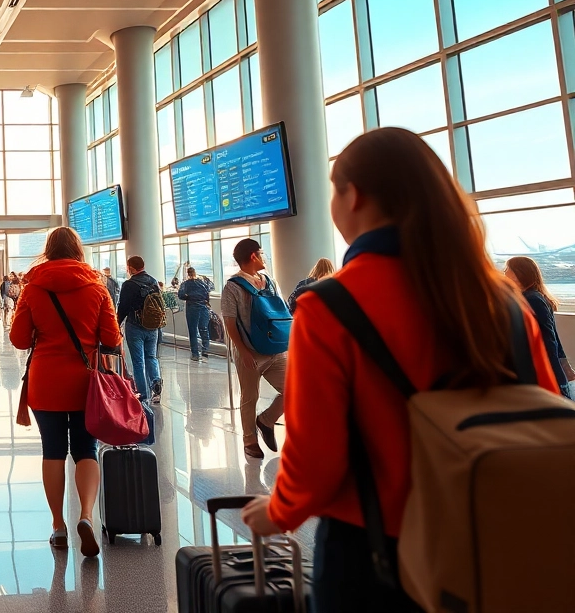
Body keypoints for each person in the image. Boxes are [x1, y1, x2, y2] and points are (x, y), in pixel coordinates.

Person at [241, 128, 561, 611]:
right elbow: (543, 412)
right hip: (496, 534)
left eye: (334, 191)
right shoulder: (502, 301)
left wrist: (279, 512)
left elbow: (316, 458)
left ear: (356, 196)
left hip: (375, 553)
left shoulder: (329, 306)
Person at [10, 227, 121, 558]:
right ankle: (86, 515)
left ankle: (58, 525)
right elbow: (112, 339)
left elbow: (18, 339)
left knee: (53, 451)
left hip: (45, 382)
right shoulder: (97, 287)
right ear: (77, 250)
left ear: (48, 250)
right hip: (86, 382)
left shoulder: (32, 289)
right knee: (86, 448)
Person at [220, 239, 287, 459]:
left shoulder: (269, 281)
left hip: (275, 350)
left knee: (295, 389)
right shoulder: (233, 287)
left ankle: (266, 421)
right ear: (253, 256)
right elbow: (230, 322)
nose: (264, 257)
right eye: (261, 253)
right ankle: (250, 440)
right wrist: (243, 351)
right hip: (250, 352)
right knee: (250, 396)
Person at [506, 256, 572, 399]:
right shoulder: (533, 297)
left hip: (546, 376)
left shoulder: (532, 299)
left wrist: (550, 374)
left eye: (508, 270)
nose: (504, 273)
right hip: (550, 374)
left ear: (518, 274)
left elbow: (549, 340)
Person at [117, 256, 163, 404]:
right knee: (151, 357)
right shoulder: (153, 281)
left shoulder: (129, 285)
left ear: (130, 268)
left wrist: (116, 324)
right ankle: (155, 385)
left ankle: (142, 395)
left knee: (138, 362)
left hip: (135, 326)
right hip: (153, 327)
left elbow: (123, 307)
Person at [177, 267, 213, 362]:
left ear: (187, 274)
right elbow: (208, 292)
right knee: (204, 329)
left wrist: (188, 296)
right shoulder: (203, 283)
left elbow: (180, 295)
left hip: (192, 307)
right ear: (195, 272)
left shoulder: (186, 284)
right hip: (204, 307)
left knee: (193, 331)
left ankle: (195, 354)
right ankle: (205, 351)